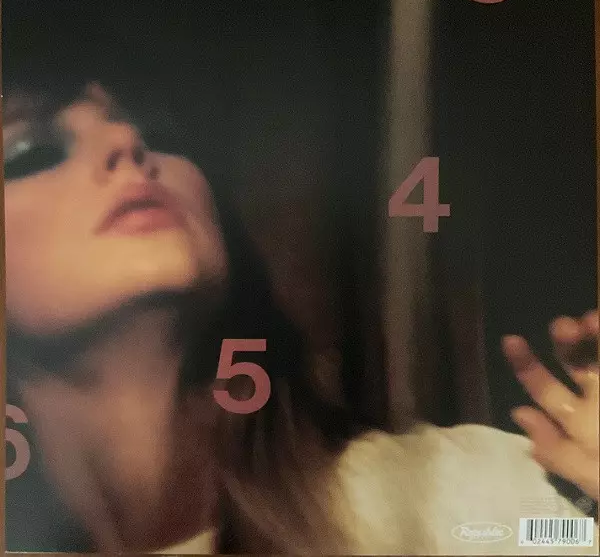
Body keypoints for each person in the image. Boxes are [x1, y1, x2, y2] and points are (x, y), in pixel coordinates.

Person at [3, 80, 598, 555]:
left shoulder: (457, 497)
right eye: (32, 153)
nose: (128, 139)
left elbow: (552, 534)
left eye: (159, 134)